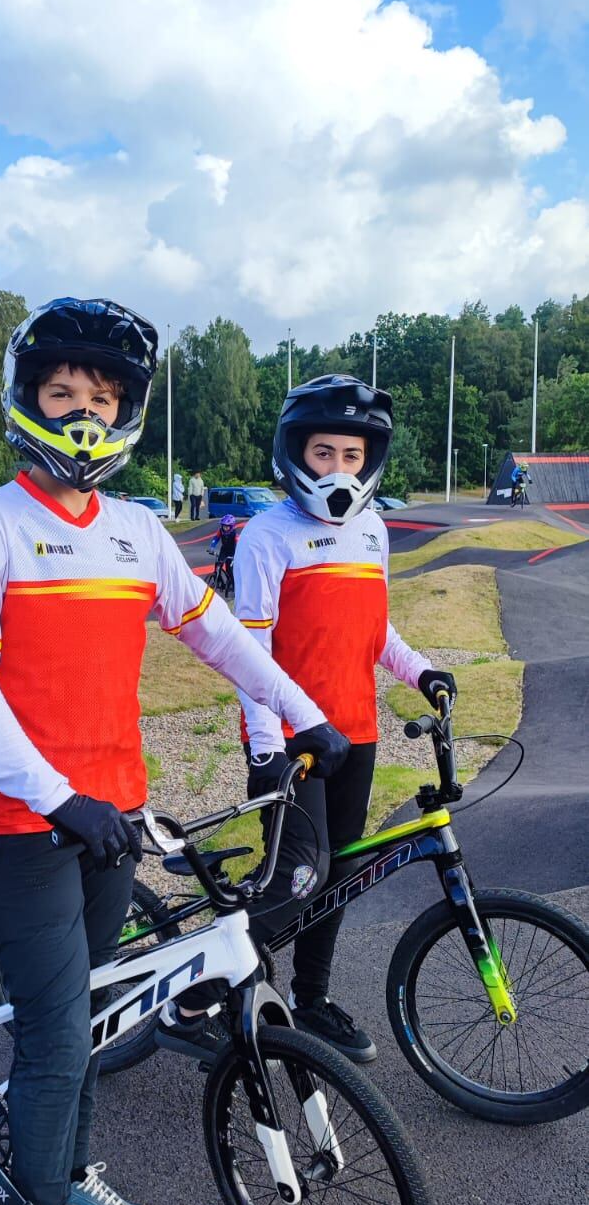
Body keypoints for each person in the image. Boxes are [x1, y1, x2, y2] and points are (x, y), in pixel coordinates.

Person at [0, 298, 349, 1205]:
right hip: (27, 825)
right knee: (60, 1041)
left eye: (101, 398)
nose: (81, 412)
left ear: (127, 414)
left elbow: (215, 631)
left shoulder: (134, 529)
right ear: (28, 400)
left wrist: (303, 713)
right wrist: (56, 794)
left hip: (110, 821)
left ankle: (66, 1171)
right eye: (63, 392)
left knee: (93, 1017)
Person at [166, 375, 456, 1065]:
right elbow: (250, 650)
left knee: (339, 876)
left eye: (352, 456)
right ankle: (191, 1000)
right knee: (297, 878)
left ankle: (311, 999)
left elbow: (377, 633)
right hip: (291, 741)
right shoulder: (270, 536)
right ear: (297, 453)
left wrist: (423, 672)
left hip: (356, 732)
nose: (338, 470)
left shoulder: (373, 530)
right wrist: (266, 745)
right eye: (324, 453)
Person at [208, 512, 238, 596]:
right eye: (223, 526)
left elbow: (237, 543)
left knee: (229, 569)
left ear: (231, 526)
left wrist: (235, 556)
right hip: (224, 550)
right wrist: (212, 547)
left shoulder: (234, 534)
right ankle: (219, 581)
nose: (225, 528)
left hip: (232, 552)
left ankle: (235, 586)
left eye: (227, 526)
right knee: (218, 565)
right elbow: (216, 538)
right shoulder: (220, 531)